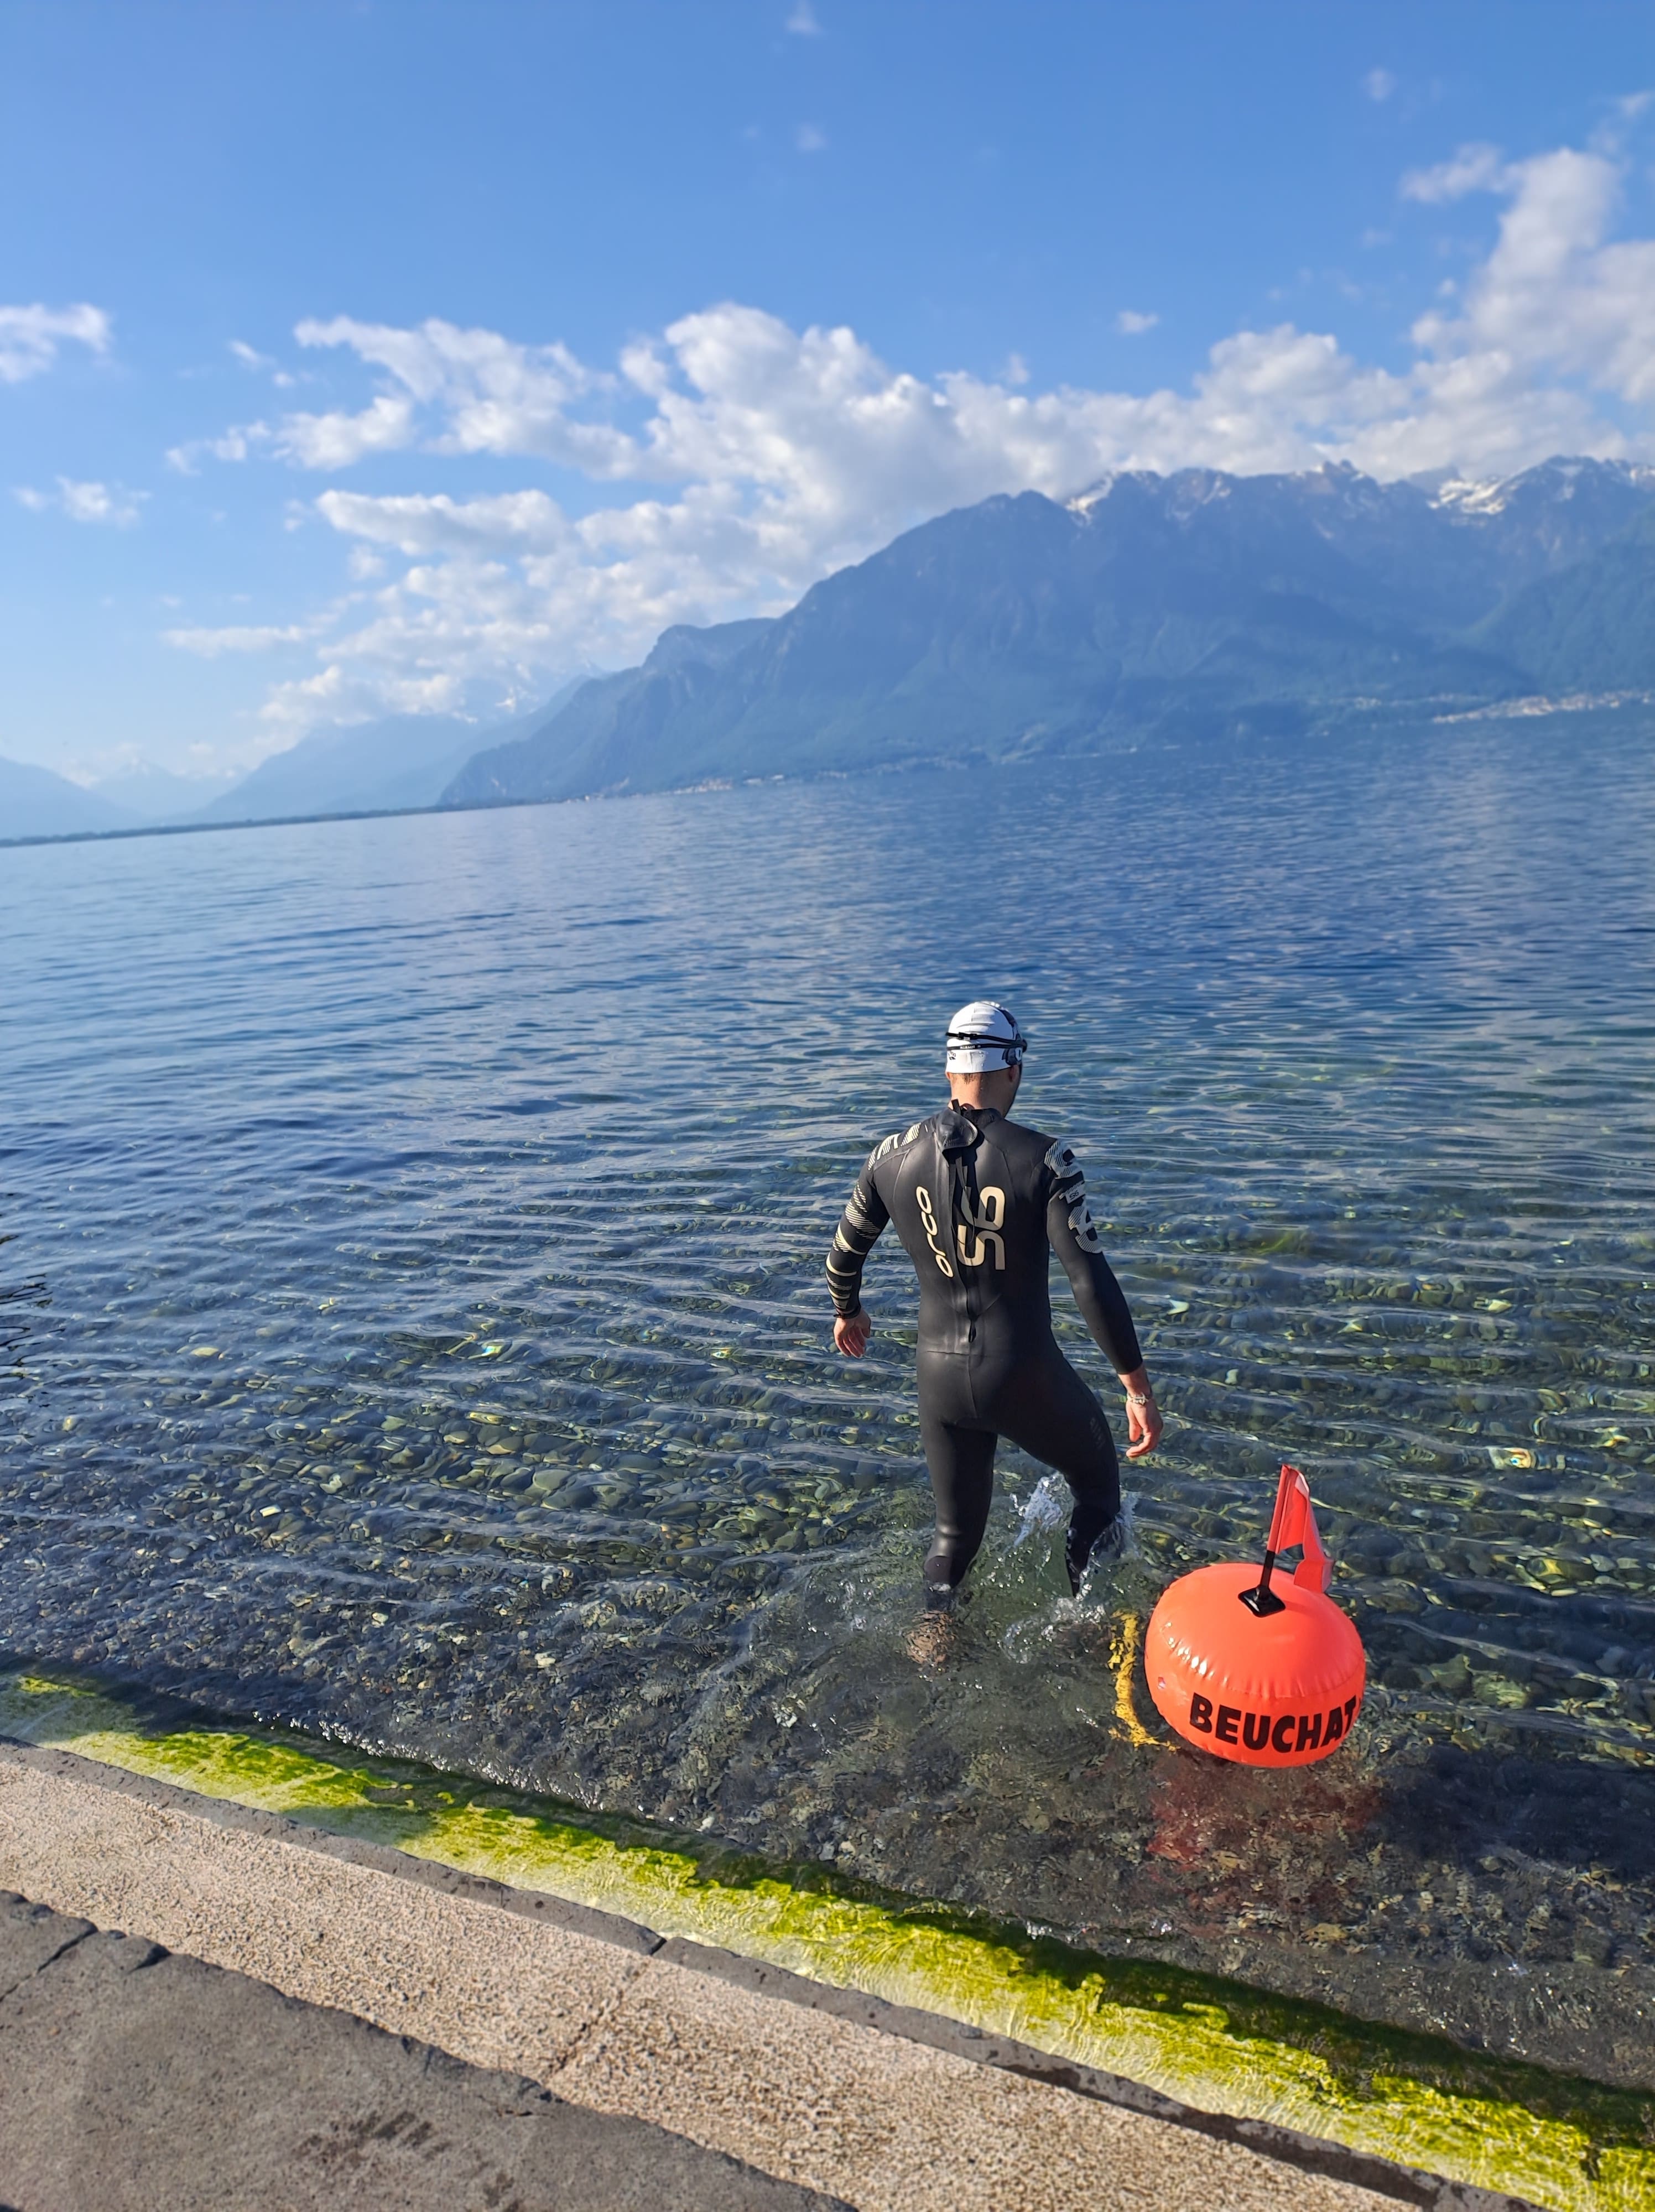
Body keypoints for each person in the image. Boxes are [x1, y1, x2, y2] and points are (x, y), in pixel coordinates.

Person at [826, 1001, 1162, 1609]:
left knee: (953, 1536)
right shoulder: (1045, 1160)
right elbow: (1089, 1280)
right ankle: (1084, 1628)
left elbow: (843, 1254)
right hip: (1022, 1372)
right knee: (1096, 1488)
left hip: (939, 1380)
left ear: (949, 1070)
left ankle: (932, 1637)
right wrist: (1136, 1387)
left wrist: (847, 1310)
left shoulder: (888, 1158)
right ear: (1012, 1069)